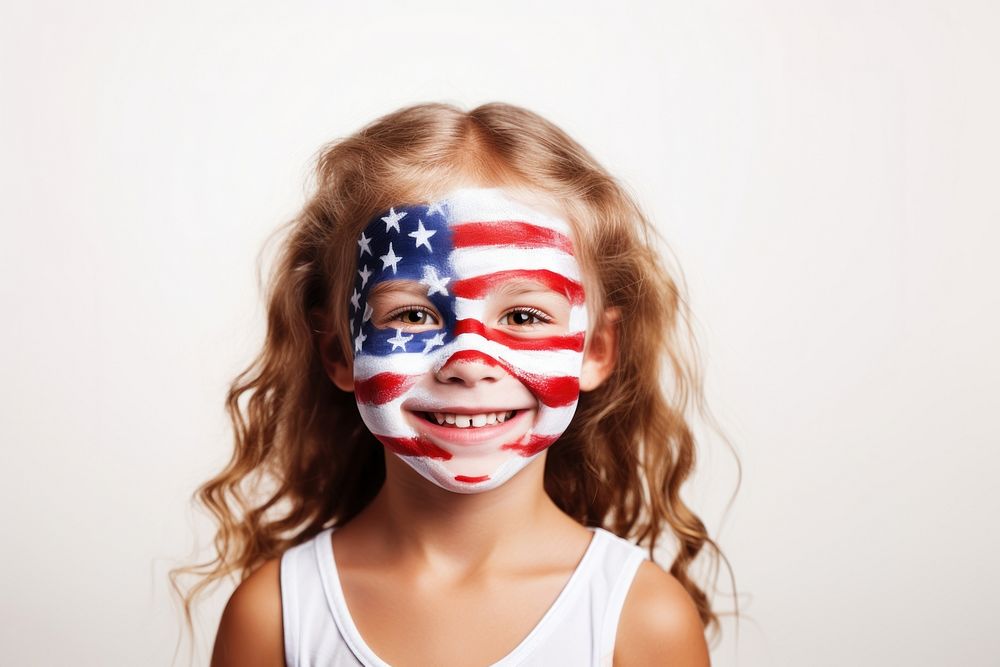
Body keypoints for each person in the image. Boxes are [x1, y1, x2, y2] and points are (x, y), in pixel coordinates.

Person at [172, 102, 732, 666]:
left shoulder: (640, 618)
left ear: (597, 349)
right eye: (412, 316)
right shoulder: (275, 615)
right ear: (339, 351)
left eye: (523, 316)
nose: (467, 362)